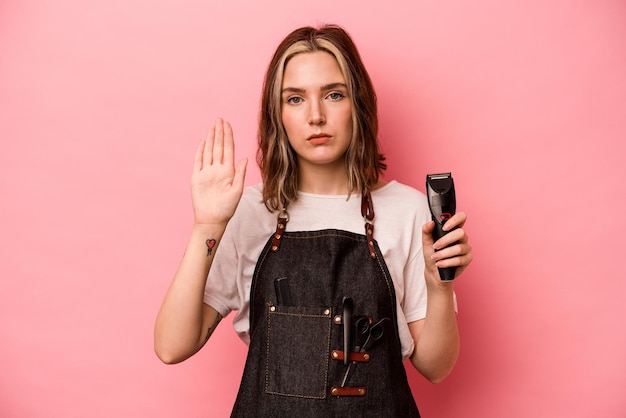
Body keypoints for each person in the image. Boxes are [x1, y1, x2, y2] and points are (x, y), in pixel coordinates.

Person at [154, 24, 473, 417]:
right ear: (278, 114)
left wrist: (437, 285)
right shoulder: (247, 212)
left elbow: (437, 368)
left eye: (333, 95)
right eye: (295, 99)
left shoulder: (407, 211)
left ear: (358, 104)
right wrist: (207, 226)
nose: (316, 116)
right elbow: (171, 346)